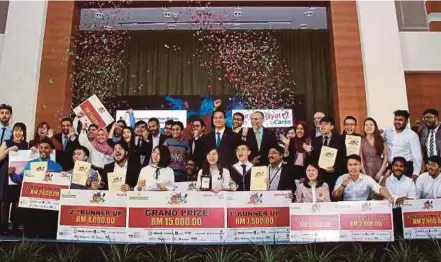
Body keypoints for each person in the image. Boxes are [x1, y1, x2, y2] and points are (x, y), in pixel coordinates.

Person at [9, 138, 62, 238]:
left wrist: (54, 176)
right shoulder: (30, 164)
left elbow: (61, 186)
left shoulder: (57, 167)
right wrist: (12, 174)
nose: (43, 150)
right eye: (41, 147)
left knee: (45, 235)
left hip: (48, 208)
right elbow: (20, 179)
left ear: (51, 150)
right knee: (30, 234)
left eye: (46, 148)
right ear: (38, 149)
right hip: (31, 207)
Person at [0, 123, 28, 233]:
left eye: (21, 130)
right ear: (13, 132)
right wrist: (7, 151)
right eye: (16, 130)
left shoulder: (26, 145)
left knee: (17, 201)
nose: (18, 132)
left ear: (23, 133)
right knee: (5, 202)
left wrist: (34, 150)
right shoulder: (6, 143)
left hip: (19, 176)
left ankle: (15, 227)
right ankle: (3, 228)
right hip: (6, 174)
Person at [310, 117, 346, 191]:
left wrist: (334, 168)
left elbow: (343, 158)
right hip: (319, 176)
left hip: (335, 175)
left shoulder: (340, 140)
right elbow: (313, 159)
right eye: (321, 124)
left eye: (325, 124)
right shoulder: (314, 141)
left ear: (332, 126)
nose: (322, 126)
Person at [384, 110, 422, 179]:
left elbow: (417, 156)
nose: (397, 122)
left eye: (400, 120)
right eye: (395, 119)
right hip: (391, 167)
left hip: (406, 168)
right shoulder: (388, 132)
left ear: (407, 122)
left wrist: (415, 174)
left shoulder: (412, 135)